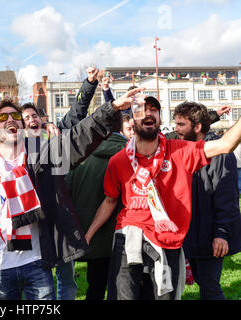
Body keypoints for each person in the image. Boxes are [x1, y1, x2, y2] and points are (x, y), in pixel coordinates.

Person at [0, 86, 138, 300]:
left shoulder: (41, 155)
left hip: (36, 263)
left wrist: (111, 108)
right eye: (2, 117)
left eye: (16, 116)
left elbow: (76, 138)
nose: (10, 120)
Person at [85, 95, 241, 300]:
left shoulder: (180, 151)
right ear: (133, 119)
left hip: (167, 241)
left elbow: (225, 145)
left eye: (154, 110)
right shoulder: (119, 160)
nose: (149, 113)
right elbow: (110, 200)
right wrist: (88, 236)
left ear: (159, 119)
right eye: (142, 110)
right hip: (129, 236)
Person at [21, 67, 101, 300]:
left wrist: (89, 83)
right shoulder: (16, 148)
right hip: (32, 221)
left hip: (59, 219)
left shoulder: (56, 135)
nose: (32, 120)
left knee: (67, 277)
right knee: (34, 279)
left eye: (34, 116)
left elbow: (77, 112)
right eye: (26, 118)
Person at [173, 101, 241, 300]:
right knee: (201, 284)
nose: (175, 129)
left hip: (210, 236)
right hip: (190, 235)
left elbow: (227, 198)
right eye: (175, 124)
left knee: (210, 287)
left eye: (180, 125)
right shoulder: (183, 148)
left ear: (197, 127)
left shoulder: (219, 154)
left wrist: (221, 233)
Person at [65, 113, 128, 300]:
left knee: (95, 287)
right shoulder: (131, 153)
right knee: (123, 289)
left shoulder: (80, 155)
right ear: (120, 126)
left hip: (91, 234)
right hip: (125, 234)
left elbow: (65, 191)